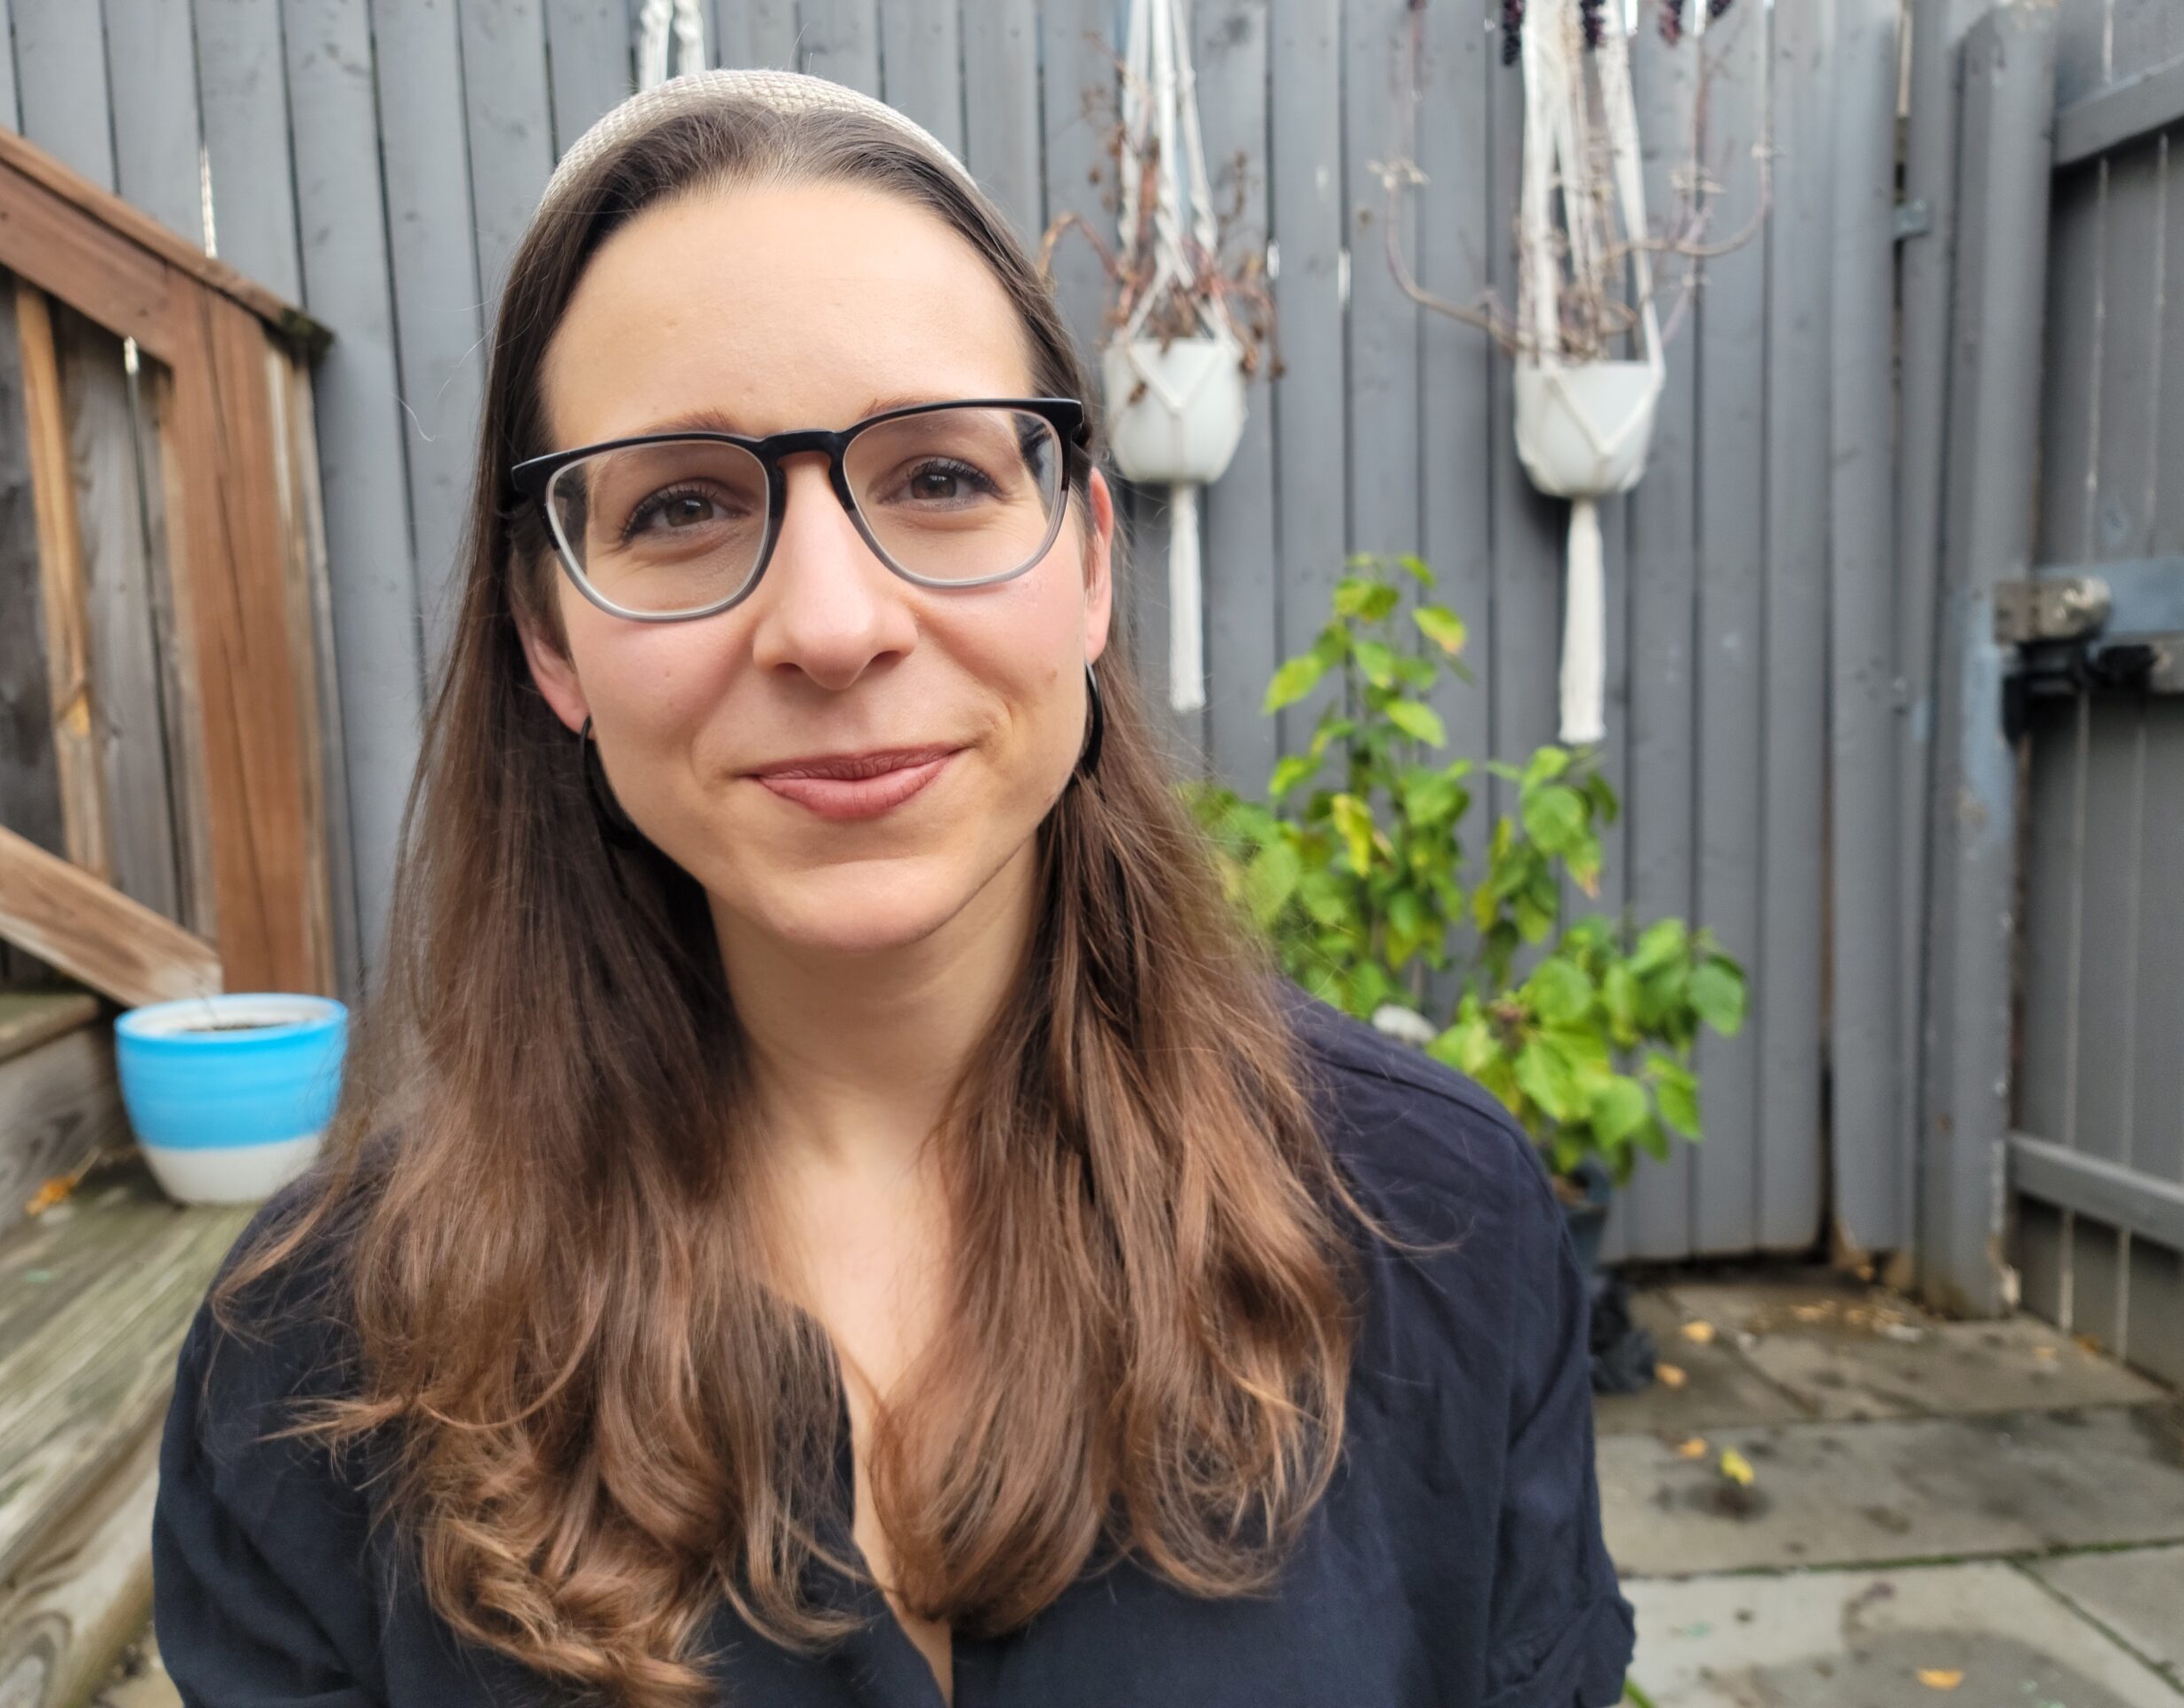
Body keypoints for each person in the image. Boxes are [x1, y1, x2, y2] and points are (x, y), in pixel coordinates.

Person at [152, 68, 1634, 1708]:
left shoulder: (1435, 1226)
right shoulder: (311, 1372)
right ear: (550, 637)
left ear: (1083, 561)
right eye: (686, 506)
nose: (834, 624)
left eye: (937, 478)